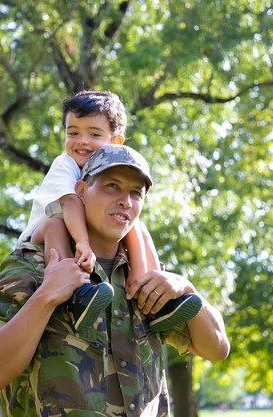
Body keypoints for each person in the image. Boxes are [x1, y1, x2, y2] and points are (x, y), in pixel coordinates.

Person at [0, 144, 230, 417]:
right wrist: (46, 296)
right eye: (112, 186)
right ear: (81, 191)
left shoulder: (144, 277)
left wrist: (187, 289)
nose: (125, 201)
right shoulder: (34, 267)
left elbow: (216, 348)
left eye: (135, 193)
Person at [20, 90, 202, 332]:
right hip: (47, 234)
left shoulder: (109, 170)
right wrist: (83, 243)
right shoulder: (65, 165)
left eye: (94, 134)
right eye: (72, 132)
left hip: (79, 229)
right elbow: (71, 204)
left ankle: (149, 293)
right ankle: (76, 296)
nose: (82, 141)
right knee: (56, 225)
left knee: (137, 227)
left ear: (115, 142)